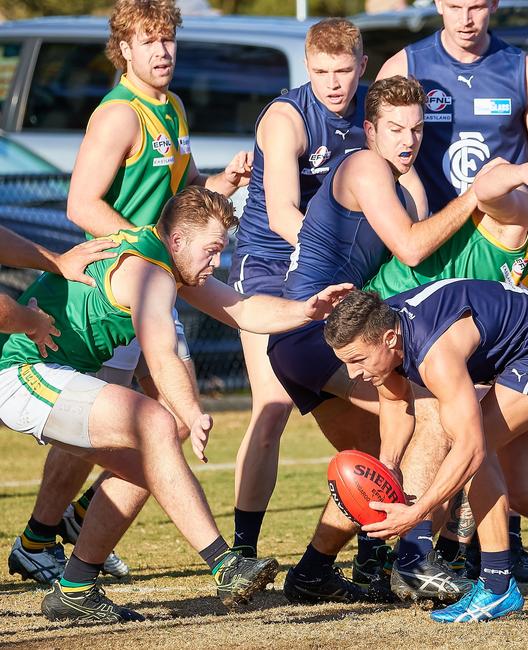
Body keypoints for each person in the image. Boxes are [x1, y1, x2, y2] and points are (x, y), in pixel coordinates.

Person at [0, 185, 352, 623]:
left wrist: (306, 310)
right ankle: (225, 565)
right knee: (156, 425)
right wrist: (190, 412)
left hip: (52, 373)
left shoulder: (163, 259)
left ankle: (74, 589)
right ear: (179, 240)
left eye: (222, 251)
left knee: (153, 465)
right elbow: (161, 352)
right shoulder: (150, 272)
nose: (217, 262)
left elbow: (242, 309)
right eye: (211, 250)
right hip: (20, 372)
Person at [8, 0, 253, 585]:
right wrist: (146, 251)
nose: (162, 51)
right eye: (149, 41)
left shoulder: (171, 106)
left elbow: (181, 191)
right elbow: (81, 205)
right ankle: (55, 539)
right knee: (127, 421)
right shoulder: (120, 114)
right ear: (124, 49)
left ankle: (57, 535)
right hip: (123, 289)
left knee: (134, 424)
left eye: (169, 39)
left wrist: (217, 186)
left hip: (153, 284)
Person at [375, 0, 528, 581]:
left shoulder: (524, 71)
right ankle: (416, 553)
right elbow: (379, 148)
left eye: (476, 4)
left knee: (502, 395)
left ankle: (491, 547)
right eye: (452, 4)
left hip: (501, 247)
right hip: (434, 250)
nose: (465, 17)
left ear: (493, 4)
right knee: (438, 412)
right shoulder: (406, 61)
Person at [267, 75, 478, 603]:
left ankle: (314, 571)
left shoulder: (405, 183)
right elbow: (410, 249)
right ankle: (413, 561)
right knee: (429, 413)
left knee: (373, 463)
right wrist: (477, 194)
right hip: (317, 332)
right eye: (395, 129)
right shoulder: (364, 166)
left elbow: (418, 269)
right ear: (369, 131)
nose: (408, 139)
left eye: (417, 128)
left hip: (312, 341)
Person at [324, 285, 528, 621]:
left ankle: (496, 587)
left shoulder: (435, 352)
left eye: (357, 360)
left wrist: (417, 511)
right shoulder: (383, 327)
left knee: (475, 453)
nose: (353, 374)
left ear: (389, 339)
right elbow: (394, 400)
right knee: (525, 491)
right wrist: (389, 465)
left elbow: (471, 449)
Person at [226, 17, 391, 576]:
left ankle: (369, 551)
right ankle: (241, 554)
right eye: (321, 71)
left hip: (333, 272)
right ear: (307, 68)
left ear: (361, 66)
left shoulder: (371, 113)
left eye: (343, 71)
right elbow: (280, 213)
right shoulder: (286, 117)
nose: (333, 83)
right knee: (271, 407)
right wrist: (341, 259)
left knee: (375, 415)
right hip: (271, 266)